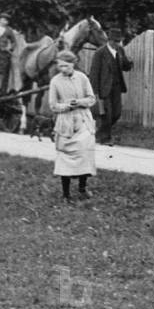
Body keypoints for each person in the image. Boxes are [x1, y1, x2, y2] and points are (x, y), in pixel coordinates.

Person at [48, 49, 97, 201]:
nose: (63, 69)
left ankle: (82, 188)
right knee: (66, 155)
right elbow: (53, 105)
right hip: (65, 122)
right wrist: (67, 106)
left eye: (66, 66)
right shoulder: (55, 81)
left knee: (84, 152)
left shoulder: (82, 78)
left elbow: (91, 99)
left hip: (83, 120)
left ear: (73, 64)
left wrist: (80, 102)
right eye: (60, 66)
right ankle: (66, 193)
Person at [89, 26, 133, 145]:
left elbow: (125, 66)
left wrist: (129, 62)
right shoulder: (100, 53)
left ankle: (100, 134)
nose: (118, 44)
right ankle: (105, 138)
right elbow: (94, 73)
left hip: (117, 88)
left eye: (119, 41)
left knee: (116, 113)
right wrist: (94, 92)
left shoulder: (120, 51)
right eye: (115, 41)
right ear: (109, 41)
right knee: (106, 114)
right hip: (104, 89)